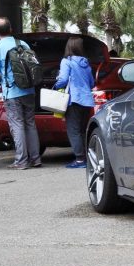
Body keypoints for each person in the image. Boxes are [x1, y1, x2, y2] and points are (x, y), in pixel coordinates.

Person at [0, 17, 42, 170]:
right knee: (30, 123)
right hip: (29, 90)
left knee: (17, 125)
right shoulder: (22, 44)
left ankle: (21, 161)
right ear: (11, 29)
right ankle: (35, 159)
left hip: (12, 92)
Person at [52, 37, 95, 168]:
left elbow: (63, 79)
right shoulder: (86, 63)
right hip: (87, 100)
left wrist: (55, 85)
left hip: (73, 100)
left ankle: (80, 160)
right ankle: (87, 158)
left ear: (69, 47)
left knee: (73, 130)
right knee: (82, 130)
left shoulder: (66, 61)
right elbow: (92, 83)